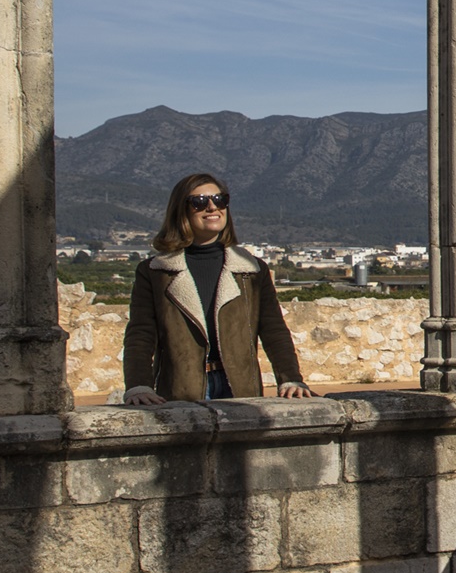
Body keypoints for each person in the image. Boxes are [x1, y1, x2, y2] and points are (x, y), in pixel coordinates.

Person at [122, 173, 315, 404]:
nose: (212, 207)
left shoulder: (251, 270)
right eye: (199, 202)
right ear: (181, 210)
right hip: (181, 388)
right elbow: (140, 334)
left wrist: (291, 379)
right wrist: (138, 386)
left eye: (219, 200)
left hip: (240, 387)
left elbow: (274, 330)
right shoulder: (155, 272)